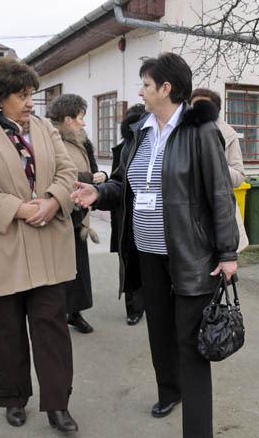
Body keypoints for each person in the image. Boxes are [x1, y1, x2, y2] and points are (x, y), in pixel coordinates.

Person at [71, 53, 238, 438]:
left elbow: (220, 194)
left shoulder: (200, 132)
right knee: (160, 333)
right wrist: (98, 193)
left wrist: (227, 253)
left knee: (191, 343)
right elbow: (122, 184)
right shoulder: (139, 132)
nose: (141, 92)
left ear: (166, 88)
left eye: (146, 85)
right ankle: (169, 392)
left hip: (191, 255)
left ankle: (198, 430)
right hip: (147, 253)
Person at [0, 57, 78, 431]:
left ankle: (57, 405)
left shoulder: (44, 129)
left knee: (51, 328)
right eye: (21, 95)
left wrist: (53, 200)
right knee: (7, 329)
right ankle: (13, 398)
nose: (29, 103)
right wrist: (20, 209)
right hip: (1, 247)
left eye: (31, 94)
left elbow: (67, 170)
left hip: (48, 244)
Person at [47, 94, 106, 334]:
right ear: (68, 119)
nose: (83, 123)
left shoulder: (79, 140)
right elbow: (57, 174)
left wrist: (97, 179)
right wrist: (89, 178)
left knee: (79, 268)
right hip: (60, 213)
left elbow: (86, 166)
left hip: (78, 213)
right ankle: (57, 316)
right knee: (60, 270)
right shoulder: (51, 140)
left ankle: (74, 313)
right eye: (80, 117)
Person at [189, 88, 249, 250]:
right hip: (188, 214)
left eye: (204, 106)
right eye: (194, 106)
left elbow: (238, 178)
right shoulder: (181, 132)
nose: (198, 111)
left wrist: (216, 163)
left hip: (218, 213)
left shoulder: (228, 134)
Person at [114, 104, 147, 325]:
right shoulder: (126, 146)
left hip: (153, 219)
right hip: (128, 215)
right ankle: (133, 307)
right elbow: (117, 180)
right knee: (129, 262)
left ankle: (144, 304)